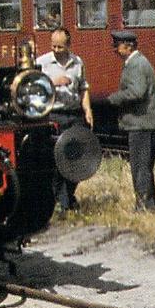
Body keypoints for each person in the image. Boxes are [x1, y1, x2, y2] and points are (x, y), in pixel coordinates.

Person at [36, 27, 94, 211]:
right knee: (57, 160)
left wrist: (88, 109)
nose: (56, 49)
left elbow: (83, 88)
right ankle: (62, 201)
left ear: (68, 45)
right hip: (53, 115)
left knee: (76, 158)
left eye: (60, 47)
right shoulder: (42, 63)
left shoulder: (78, 63)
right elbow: (31, 86)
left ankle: (68, 194)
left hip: (74, 114)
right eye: (53, 46)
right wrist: (52, 82)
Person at [105, 30, 155, 211]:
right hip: (144, 122)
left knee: (140, 166)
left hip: (141, 123)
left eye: (117, 46)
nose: (115, 49)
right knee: (143, 165)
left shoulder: (136, 64)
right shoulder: (138, 62)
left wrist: (114, 98)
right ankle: (149, 203)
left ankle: (144, 206)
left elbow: (137, 92)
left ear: (128, 46)